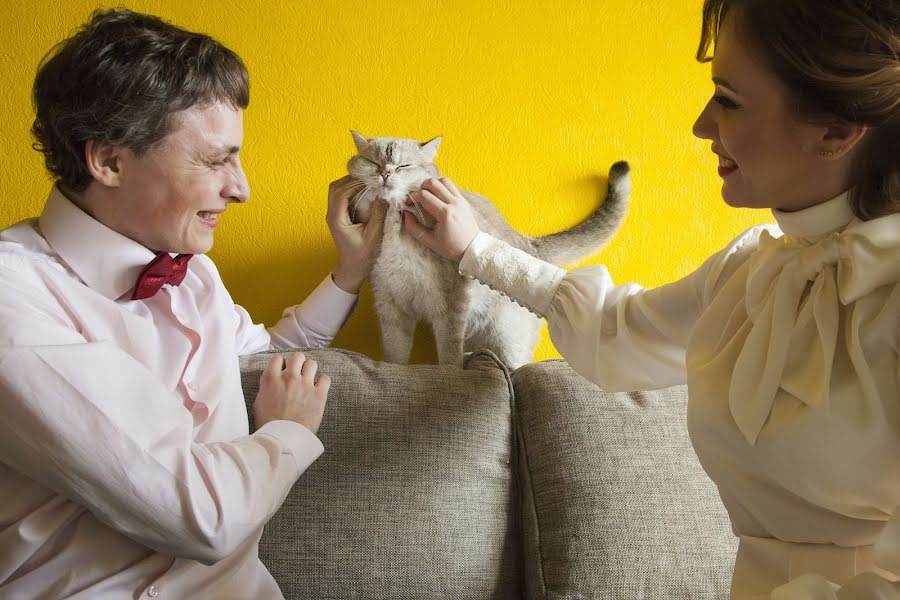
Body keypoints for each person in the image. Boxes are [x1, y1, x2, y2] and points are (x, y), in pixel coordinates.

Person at [403, 0, 900, 598]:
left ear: (837, 130)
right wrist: (475, 249)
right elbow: (619, 329)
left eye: (730, 99)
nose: (701, 125)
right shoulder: (753, 272)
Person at [0, 8, 386, 599]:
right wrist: (285, 433)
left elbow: (266, 357)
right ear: (107, 160)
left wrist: (349, 272)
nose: (242, 188)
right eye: (216, 159)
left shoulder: (195, 273)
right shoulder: (12, 298)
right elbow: (200, 515)